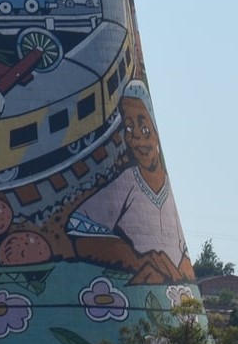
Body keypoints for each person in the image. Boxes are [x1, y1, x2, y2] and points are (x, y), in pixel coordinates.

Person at [67, 81, 190, 285]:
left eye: (144, 128)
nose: (137, 139)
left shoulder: (165, 194)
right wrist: (134, 261)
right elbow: (79, 227)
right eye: (130, 128)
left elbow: (181, 255)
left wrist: (179, 272)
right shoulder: (127, 182)